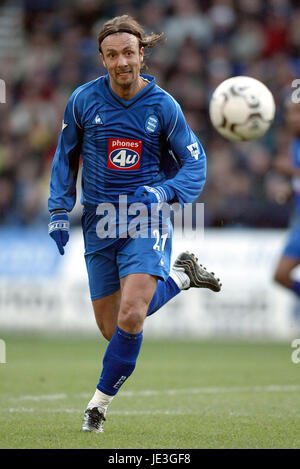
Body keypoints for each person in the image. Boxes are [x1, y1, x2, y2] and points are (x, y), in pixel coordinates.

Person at [48, 15, 221, 433]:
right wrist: (58, 210)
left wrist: (164, 193)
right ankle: (181, 278)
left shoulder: (163, 106)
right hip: (99, 223)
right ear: (103, 59)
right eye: (113, 55)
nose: (122, 62)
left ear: (142, 54)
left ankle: (97, 408)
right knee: (113, 328)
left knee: (131, 314)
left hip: (146, 218)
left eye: (129, 52)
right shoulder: (83, 101)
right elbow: (65, 157)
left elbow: (195, 164)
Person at [273, 100, 300, 297]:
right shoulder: (294, 142)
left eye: (297, 112)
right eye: (289, 112)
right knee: (280, 275)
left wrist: (290, 170)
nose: (291, 118)